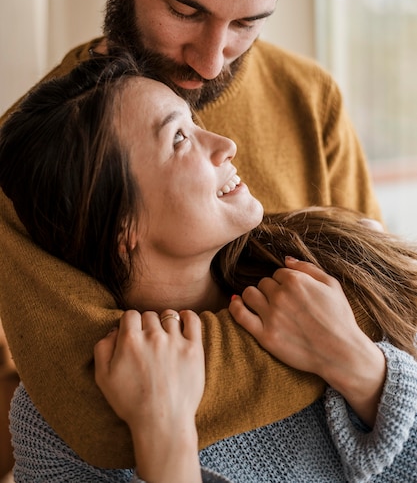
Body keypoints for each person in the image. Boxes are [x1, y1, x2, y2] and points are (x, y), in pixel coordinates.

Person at [0, 0, 384, 469]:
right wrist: (338, 350)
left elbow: (385, 313)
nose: (210, 61)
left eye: (247, 24)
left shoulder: (312, 101)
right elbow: (99, 414)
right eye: (185, 11)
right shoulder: (28, 161)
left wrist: (358, 355)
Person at [0, 53, 416, 482]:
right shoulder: (55, 426)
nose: (225, 144)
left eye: (194, 122)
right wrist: (165, 437)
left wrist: (363, 369)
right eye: (180, 138)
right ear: (122, 226)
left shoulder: (331, 279)